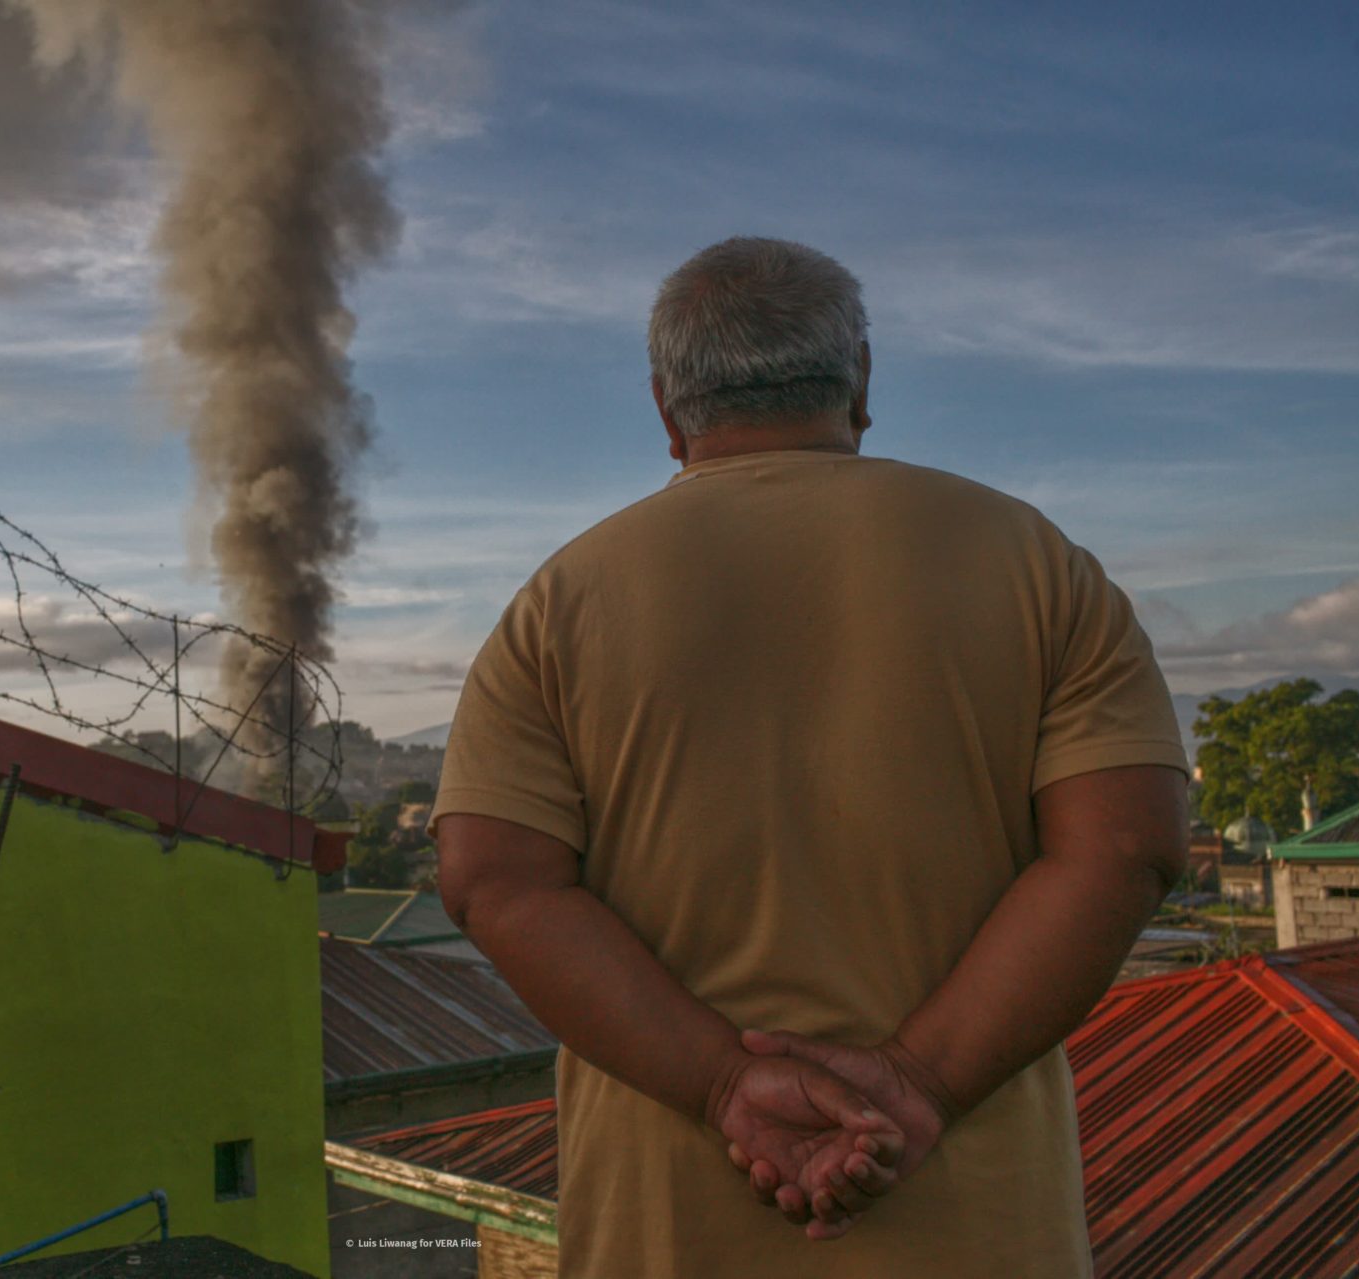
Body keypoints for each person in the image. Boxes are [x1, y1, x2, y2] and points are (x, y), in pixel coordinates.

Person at [433, 237, 1188, 1277]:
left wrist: (720, 1086)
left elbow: (491, 883)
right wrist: (917, 1083)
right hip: (979, 1228)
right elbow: (1127, 850)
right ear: (860, 380)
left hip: (662, 1236)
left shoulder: (561, 603)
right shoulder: (1039, 565)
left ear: (666, 409)